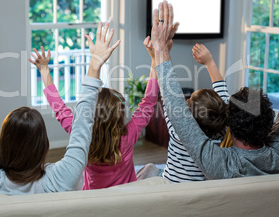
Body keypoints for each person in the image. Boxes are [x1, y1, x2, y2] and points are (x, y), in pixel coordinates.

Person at [150, 0, 279, 179]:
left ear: (230, 126)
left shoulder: (219, 164)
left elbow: (178, 116)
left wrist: (160, 48)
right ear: (270, 124)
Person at [0, 23, 119, 195]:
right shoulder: (63, 178)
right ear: (43, 145)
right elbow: (82, 131)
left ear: (4, 143)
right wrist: (95, 64)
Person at [29, 22, 177, 190]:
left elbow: (59, 108)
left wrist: (43, 70)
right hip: (126, 194)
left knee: (74, 178)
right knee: (151, 169)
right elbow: (149, 102)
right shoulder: (129, 134)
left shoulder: (81, 134)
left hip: (93, 195)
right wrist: (154, 61)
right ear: (120, 116)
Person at [137, 42, 229, 182]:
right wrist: (210, 62)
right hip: (197, 187)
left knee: (150, 168)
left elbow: (168, 94)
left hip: (171, 184)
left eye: (188, 100)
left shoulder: (178, 130)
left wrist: (160, 55)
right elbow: (223, 97)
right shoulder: (222, 127)